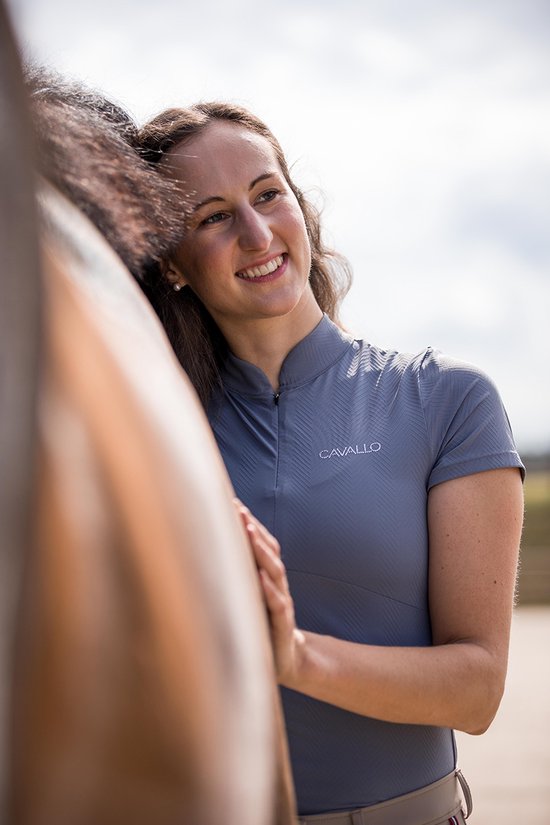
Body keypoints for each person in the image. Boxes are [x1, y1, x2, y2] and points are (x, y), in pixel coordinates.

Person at [137, 103, 525, 825]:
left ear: (301, 208)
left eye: (266, 194)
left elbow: (477, 690)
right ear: (171, 263)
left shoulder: (445, 400)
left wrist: (297, 659)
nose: (256, 234)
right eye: (213, 216)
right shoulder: (156, 432)